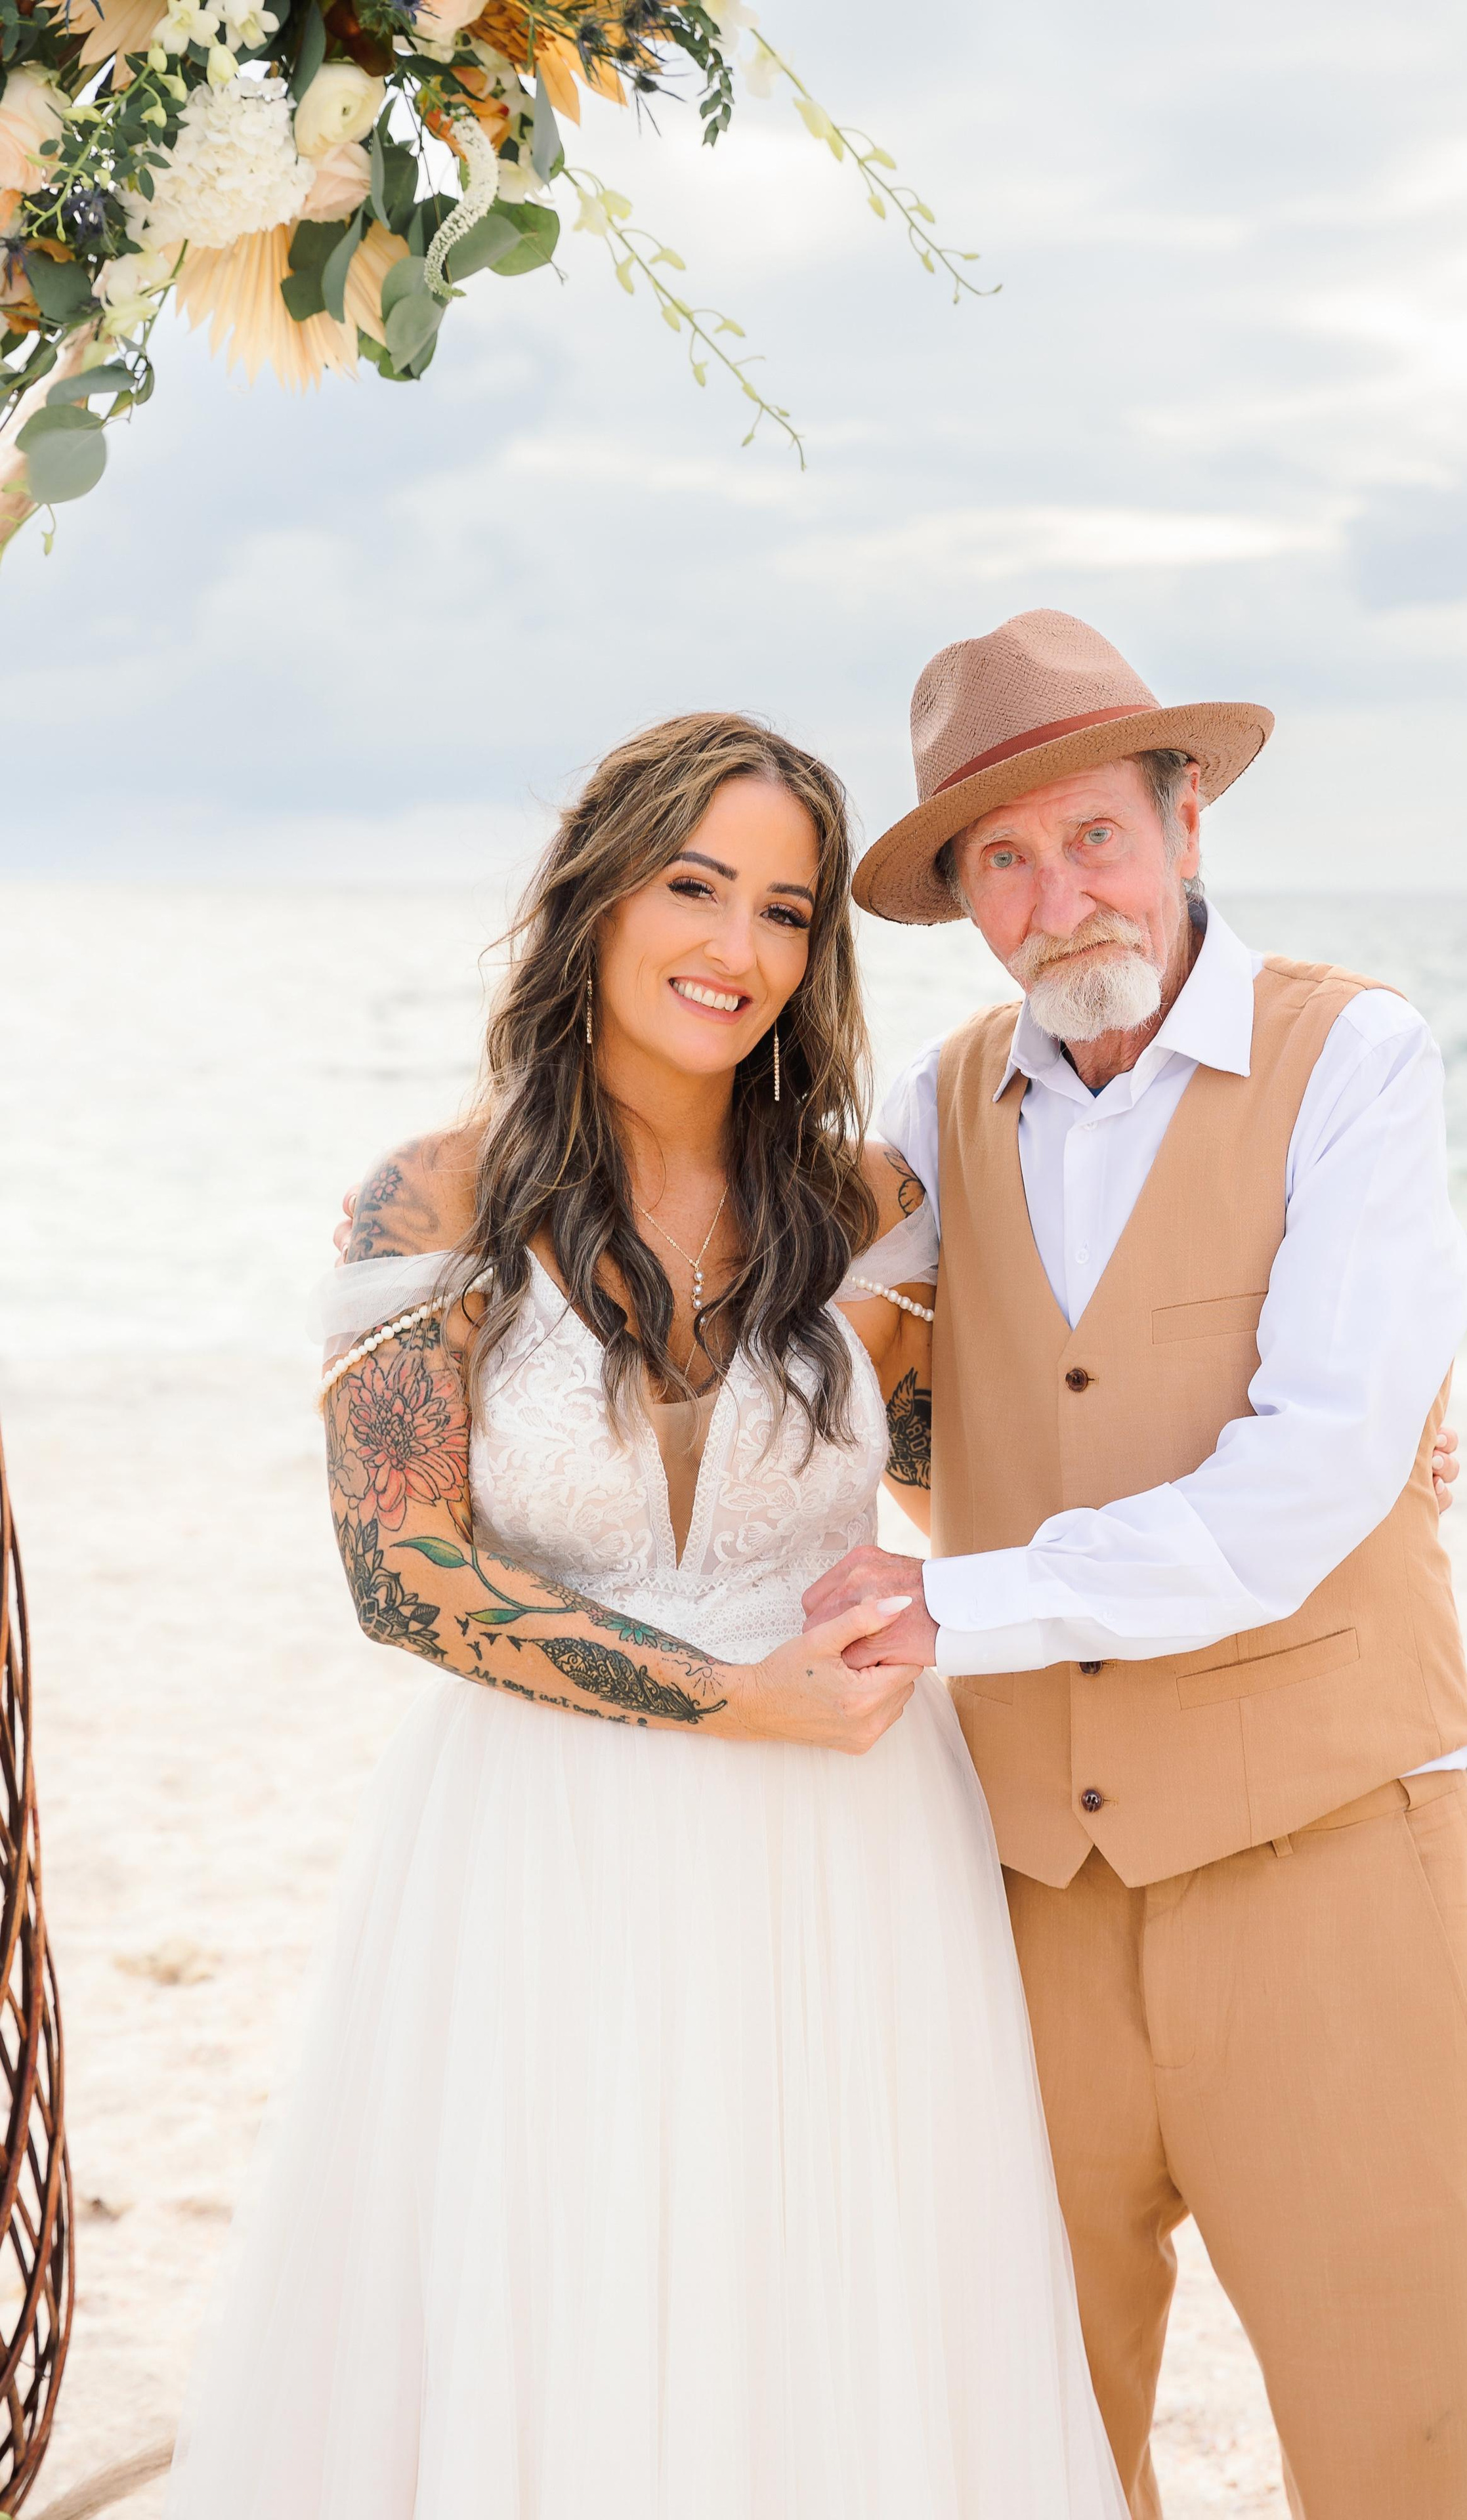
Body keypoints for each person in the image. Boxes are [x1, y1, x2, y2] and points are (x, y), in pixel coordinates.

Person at [164, 713, 1128, 2520]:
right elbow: (401, 1573)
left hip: (848, 1855)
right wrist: (738, 1699)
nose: (736, 948)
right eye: (695, 887)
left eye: (785, 910)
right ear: (598, 899)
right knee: (554, 2276)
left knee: (828, 2293)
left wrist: (1360, 1435)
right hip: (539, 1846)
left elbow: (997, 1476)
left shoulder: (865, 1208)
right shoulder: (433, 1200)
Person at [805, 608, 1467, 2520]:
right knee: (1036, 2435)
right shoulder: (939, 1106)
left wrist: (952, 1599)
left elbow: (1314, 1473)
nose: (1059, 901)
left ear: (1189, 824)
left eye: (1095, 835)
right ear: (960, 901)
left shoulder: (1355, 1058)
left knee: (1391, 2427)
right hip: (1031, 1880)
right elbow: (790, 1338)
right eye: (1001, 862)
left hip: (1326, 1851)